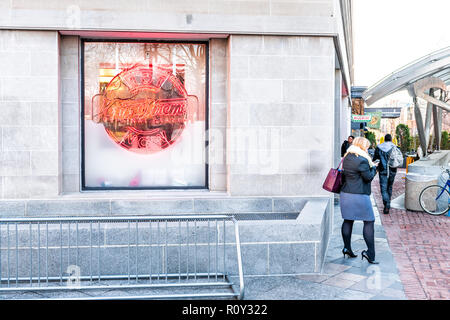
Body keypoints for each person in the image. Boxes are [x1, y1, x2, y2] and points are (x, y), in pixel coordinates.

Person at [340, 137, 379, 264]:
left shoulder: (346, 157)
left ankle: (347, 248)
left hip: (346, 194)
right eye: (366, 147)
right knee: (369, 221)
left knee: (348, 220)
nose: (367, 149)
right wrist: (374, 168)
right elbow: (368, 178)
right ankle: (370, 253)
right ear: (362, 146)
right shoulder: (362, 160)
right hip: (359, 195)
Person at [373, 134, 397, 214]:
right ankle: (388, 203)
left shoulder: (379, 147)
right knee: (389, 187)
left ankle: (386, 204)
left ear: (384, 139)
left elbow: (375, 159)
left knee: (383, 188)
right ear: (391, 139)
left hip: (382, 170)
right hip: (392, 170)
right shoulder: (394, 147)